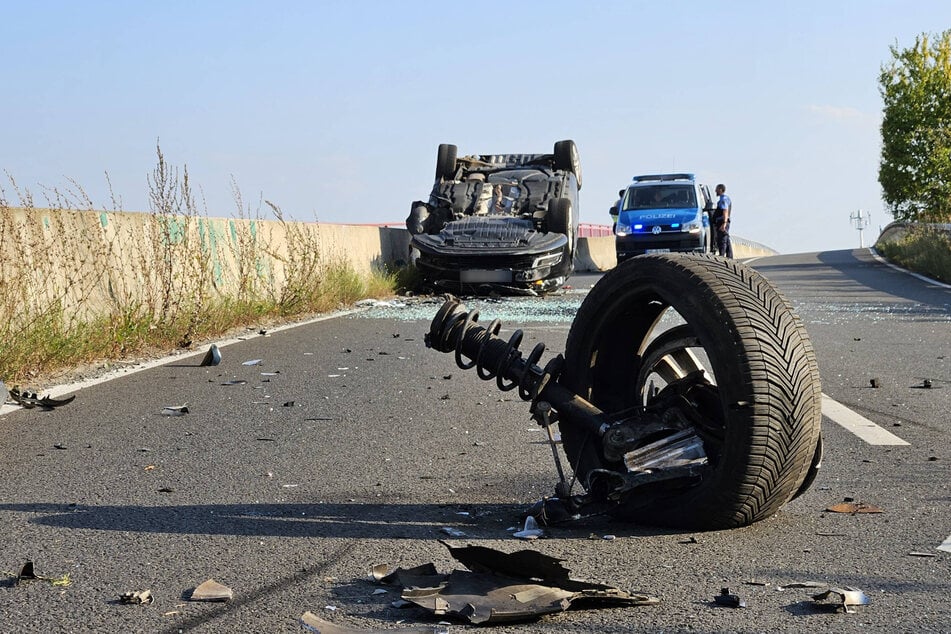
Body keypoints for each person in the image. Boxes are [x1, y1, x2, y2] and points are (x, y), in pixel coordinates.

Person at [714, 183, 733, 258]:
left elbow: (725, 211)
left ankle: (722, 256)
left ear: (721, 190)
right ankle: (730, 257)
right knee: (726, 240)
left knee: (722, 240)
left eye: (717, 189)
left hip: (722, 222)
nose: (715, 191)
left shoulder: (723, 199)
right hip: (723, 221)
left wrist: (724, 223)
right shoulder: (725, 198)